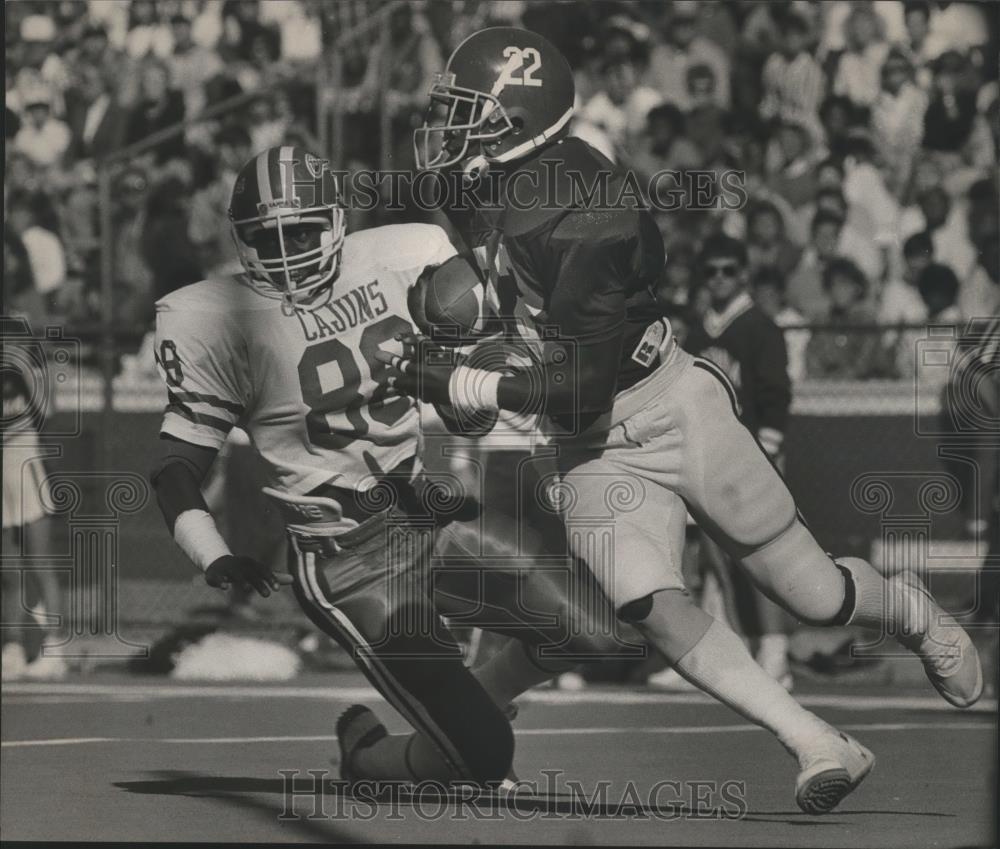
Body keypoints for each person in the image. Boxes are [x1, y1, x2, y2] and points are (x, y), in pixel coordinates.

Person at [397, 26, 982, 814]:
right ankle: (816, 742)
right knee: (648, 605)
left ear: (523, 120)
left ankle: (907, 608)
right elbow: (520, 318)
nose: (449, 128)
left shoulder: (586, 205)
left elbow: (579, 389)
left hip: (666, 405)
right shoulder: (472, 187)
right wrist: (463, 329)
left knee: (811, 593)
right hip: (587, 449)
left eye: (469, 112)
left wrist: (477, 383)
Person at [149, 146, 615, 790]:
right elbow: (174, 468)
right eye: (267, 237)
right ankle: (367, 756)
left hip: (427, 517)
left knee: (595, 631)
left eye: (302, 231)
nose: (286, 252)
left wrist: (462, 376)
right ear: (241, 240)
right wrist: (211, 553)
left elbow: (470, 413)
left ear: (337, 221)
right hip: (348, 563)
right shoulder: (214, 317)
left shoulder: (407, 255)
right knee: (485, 759)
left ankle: (469, 710)